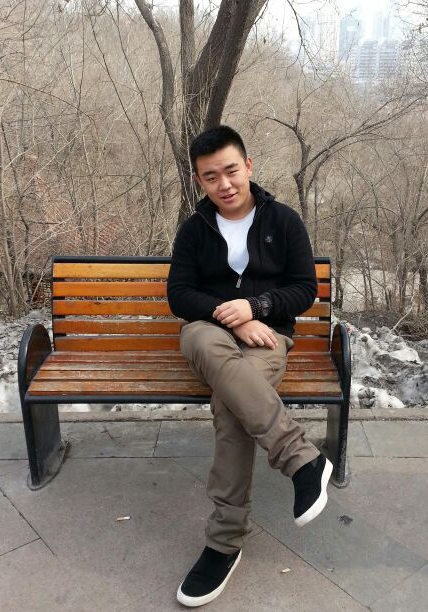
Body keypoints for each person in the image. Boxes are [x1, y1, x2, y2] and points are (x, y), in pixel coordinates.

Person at [167, 125, 332, 608]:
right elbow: (179, 295)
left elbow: (304, 288)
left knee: (231, 406)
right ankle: (301, 459)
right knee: (203, 339)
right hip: (208, 333)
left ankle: (223, 542)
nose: (224, 184)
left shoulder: (283, 220)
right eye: (210, 176)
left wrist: (257, 308)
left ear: (249, 166)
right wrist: (234, 316)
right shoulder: (195, 229)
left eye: (231, 171)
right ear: (199, 181)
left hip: (267, 337)